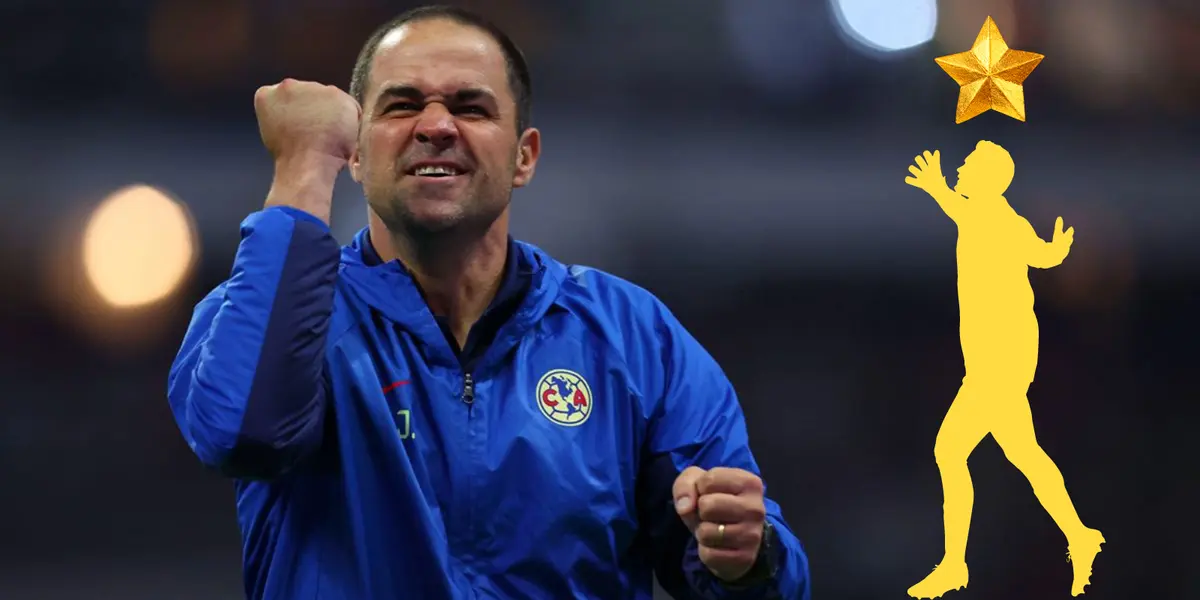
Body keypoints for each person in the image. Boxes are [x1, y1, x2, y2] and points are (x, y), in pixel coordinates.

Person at [167, 5, 810, 599]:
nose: (436, 126)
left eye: (470, 107)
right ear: (356, 154)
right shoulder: (271, 312)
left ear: (524, 157)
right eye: (402, 105)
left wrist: (748, 558)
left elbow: (750, 570)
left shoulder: (633, 338)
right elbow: (244, 435)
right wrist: (304, 165)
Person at [903, 143, 1104, 598]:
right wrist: (1059, 248)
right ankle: (1078, 535)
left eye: (969, 165)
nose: (962, 168)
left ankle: (955, 565)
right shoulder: (1008, 221)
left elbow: (961, 210)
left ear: (988, 179)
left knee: (951, 452)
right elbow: (1043, 257)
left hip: (998, 362)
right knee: (1022, 454)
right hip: (998, 360)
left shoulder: (990, 217)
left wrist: (935, 186)